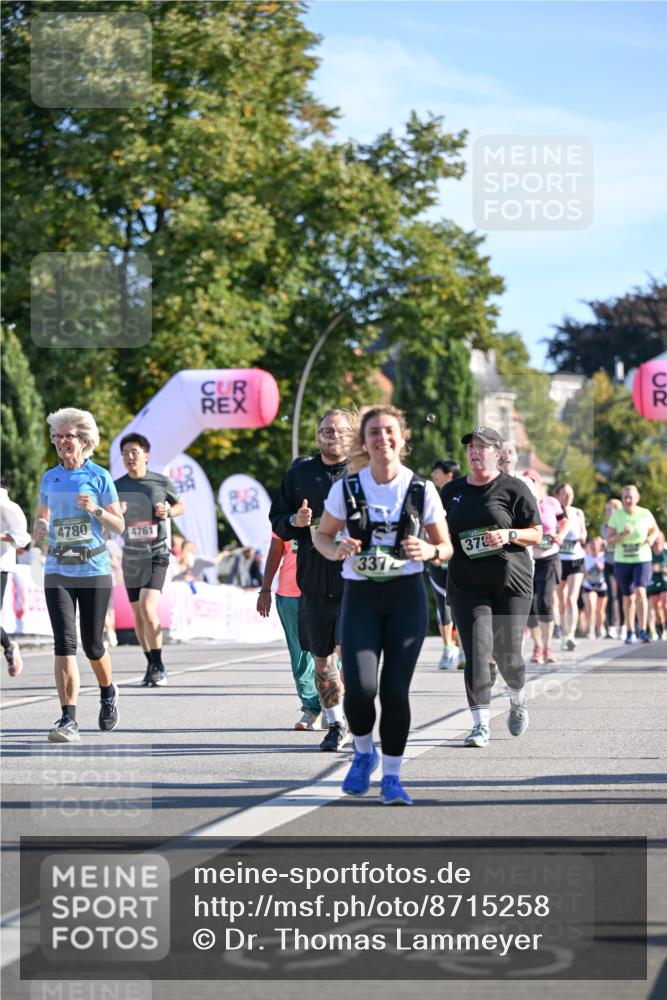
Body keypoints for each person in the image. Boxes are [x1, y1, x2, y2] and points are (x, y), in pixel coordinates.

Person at [314, 406, 452, 804]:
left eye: (389, 431)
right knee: (359, 687)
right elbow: (322, 536)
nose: (382, 438)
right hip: (360, 596)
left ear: (403, 438)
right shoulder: (347, 489)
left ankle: (392, 776)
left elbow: (446, 547)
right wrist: (336, 547)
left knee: (394, 691)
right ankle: (363, 753)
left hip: (405, 597)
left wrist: (428, 549)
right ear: (364, 441)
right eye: (374, 432)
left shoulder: (421, 490)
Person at [440, 425, 542, 749]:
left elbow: (537, 533)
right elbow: (439, 531)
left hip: (510, 583)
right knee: (477, 653)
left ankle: (517, 699)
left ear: (497, 453)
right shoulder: (452, 491)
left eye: (482, 446)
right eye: (471, 446)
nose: (474, 451)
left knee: (508, 655)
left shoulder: (514, 488)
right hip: (466, 585)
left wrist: (509, 535)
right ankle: (480, 724)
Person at [33, 408, 124, 743]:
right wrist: (41, 526)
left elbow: (119, 524)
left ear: (84, 440)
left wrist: (95, 510)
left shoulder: (99, 477)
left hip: (94, 568)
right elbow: (42, 516)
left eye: (67, 435)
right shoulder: (49, 478)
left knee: (93, 645)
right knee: (64, 644)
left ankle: (108, 691)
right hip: (58, 568)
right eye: (56, 436)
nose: (61, 442)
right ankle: (68, 718)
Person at [270, 408, 355, 752]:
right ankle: (335, 724)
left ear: (352, 434)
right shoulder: (299, 474)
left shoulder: (365, 472)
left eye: (339, 431)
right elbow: (276, 521)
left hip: (356, 576)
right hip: (314, 576)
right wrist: (296, 518)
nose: (332, 436)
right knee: (322, 658)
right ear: (317, 436)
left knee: (352, 654)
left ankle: (354, 716)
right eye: (326, 431)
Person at [114, 434, 185, 687]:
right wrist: (117, 513)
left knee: (147, 606)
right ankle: (150, 663)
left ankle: (159, 663)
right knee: (137, 613)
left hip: (157, 552)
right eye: (125, 453)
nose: (129, 457)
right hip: (132, 555)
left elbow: (180, 506)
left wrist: (168, 511)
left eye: (134, 451)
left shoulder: (160, 481)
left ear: (146, 455)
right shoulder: (116, 485)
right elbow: (110, 521)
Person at [257, 532, 322, 729]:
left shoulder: (333, 506)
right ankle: (311, 708)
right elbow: (275, 551)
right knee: (300, 654)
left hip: (325, 591)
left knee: (328, 652)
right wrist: (265, 589)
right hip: (289, 594)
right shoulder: (284, 513)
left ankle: (332, 707)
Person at [606, 484, 660, 644]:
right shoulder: (616, 515)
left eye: (631, 497)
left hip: (642, 559)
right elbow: (609, 540)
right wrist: (622, 534)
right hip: (622, 561)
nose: (628, 500)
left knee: (641, 592)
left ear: (637, 498)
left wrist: (651, 538)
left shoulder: (645, 513)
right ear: (622, 499)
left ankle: (643, 630)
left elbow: (655, 530)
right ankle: (629, 631)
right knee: (628, 597)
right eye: (625, 497)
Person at [525, 470, 567, 664]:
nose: (530, 485)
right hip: (527, 559)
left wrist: (561, 535)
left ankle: (548, 646)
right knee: (530, 605)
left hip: (549, 557)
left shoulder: (551, 502)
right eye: (526, 481)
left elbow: (564, 521)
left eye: (533, 481)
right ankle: (537, 646)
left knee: (544, 601)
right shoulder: (520, 502)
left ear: (539, 484)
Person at [429, 459, 462, 669]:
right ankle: (448, 648)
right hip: (436, 556)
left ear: (449, 474)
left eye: (436, 472)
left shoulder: (463, 493)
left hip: (458, 556)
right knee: (442, 602)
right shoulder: (431, 495)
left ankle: (464, 647)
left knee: (461, 602)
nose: (433, 475)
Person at [0, 479, 31, 676]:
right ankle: (9, 646)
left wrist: (2, 536)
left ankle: (9, 647)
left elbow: (22, 537)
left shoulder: (6, 505)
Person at [554, 482, 587, 651]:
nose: (568, 497)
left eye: (570, 494)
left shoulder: (577, 512)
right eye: (564, 494)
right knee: (560, 601)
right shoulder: (554, 511)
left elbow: (584, 532)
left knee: (571, 598)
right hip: (559, 560)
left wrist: (582, 536)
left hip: (576, 558)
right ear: (557, 495)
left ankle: (571, 635)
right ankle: (564, 633)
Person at [601, 498, 623, 638]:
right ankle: (611, 626)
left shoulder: (622, 524)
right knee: (611, 594)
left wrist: (613, 539)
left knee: (623, 595)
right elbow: (605, 543)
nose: (608, 512)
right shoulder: (604, 526)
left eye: (611, 509)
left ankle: (623, 625)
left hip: (622, 561)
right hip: (608, 562)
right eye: (607, 509)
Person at [582, 537, 608, 638]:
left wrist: (602, 567)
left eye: (596, 544)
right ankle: (591, 629)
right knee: (591, 607)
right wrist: (586, 572)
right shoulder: (585, 558)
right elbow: (583, 573)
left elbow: (608, 572)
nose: (593, 546)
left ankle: (600, 627)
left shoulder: (604, 557)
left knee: (600, 610)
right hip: (589, 585)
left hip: (601, 586)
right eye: (592, 544)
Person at [647, 532, 666, 640]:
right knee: (656, 607)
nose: (657, 541)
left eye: (659, 538)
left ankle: (664, 624)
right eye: (656, 538)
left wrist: (663, 569)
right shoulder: (648, 552)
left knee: (664, 605)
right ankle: (660, 626)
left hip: (665, 581)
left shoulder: (665, 551)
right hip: (653, 582)